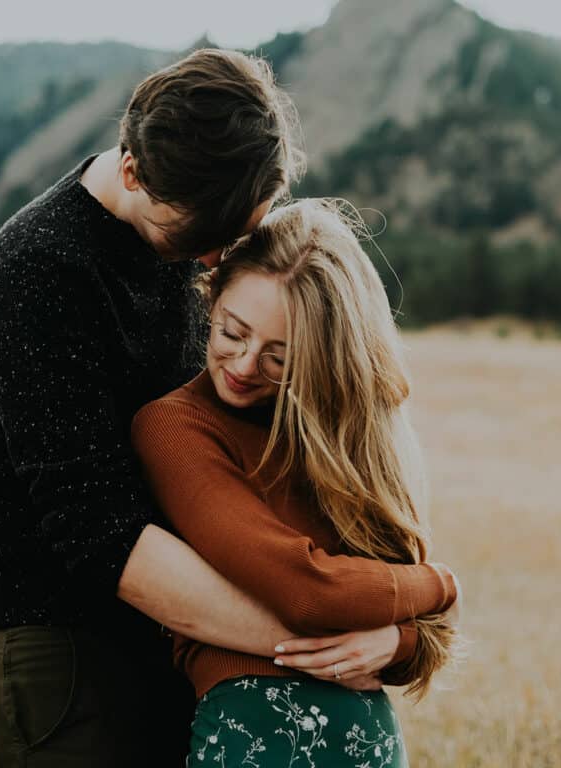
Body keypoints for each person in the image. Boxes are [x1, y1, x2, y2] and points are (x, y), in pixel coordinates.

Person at [0, 50, 421, 767]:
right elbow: (100, 537)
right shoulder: (37, 276)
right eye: (199, 240)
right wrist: (313, 640)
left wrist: (391, 632)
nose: (211, 265)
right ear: (133, 168)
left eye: (231, 240)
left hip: (197, 653)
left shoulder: (195, 228)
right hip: (70, 666)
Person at [131, 199, 463, 767]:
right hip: (257, 738)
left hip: (371, 744)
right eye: (231, 332)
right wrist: (442, 586)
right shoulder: (177, 427)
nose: (242, 364)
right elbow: (310, 594)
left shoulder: (340, 441)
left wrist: (397, 641)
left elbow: (413, 635)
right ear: (211, 295)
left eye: (279, 357)